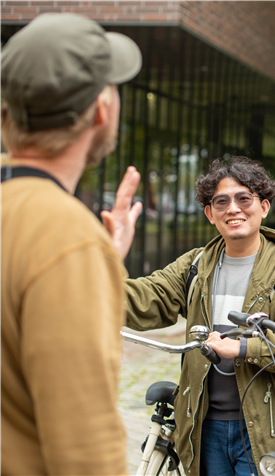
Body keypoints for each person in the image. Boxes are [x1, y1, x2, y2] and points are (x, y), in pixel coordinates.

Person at [0, 14, 143, 474]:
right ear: (101, 108)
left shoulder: (47, 233)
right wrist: (81, 258)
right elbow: (85, 452)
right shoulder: (65, 238)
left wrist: (95, 267)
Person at [124, 156, 275, 476]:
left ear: (264, 207)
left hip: (264, 428)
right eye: (221, 201)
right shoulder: (197, 265)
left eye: (244, 198)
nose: (233, 208)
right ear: (210, 214)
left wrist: (243, 348)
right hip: (205, 428)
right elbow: (147, 297)